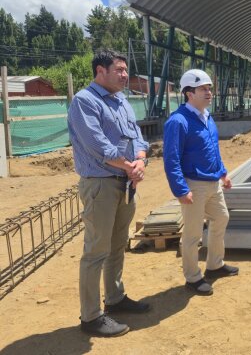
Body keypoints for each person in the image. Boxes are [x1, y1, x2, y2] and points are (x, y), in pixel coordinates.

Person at [67, 49, 150, 337]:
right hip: (101, 185)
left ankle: (114, 298)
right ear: (100, 71)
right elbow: (98, 146)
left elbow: (138, 136)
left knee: (117, 245)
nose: (125, 75)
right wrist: (130, 166)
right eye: (119, 70)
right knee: (96, 251)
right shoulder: (85, 101)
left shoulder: (121, 100)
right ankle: (91, 317)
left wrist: (140, 161)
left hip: (125, 183)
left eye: (126, 70)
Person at [163, 69, 238, 297]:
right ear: (189, 93)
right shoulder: (178, 121)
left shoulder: (207, 117)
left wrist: (223, 173)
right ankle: (193, 277)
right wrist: (181, 189)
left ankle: (214, 264)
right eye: (203, 89)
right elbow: (171, 159)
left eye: (209, 88)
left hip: (213, 182)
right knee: (193, 234)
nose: (209, 93)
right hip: (193, 185)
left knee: (221, 217)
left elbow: (213, 149)